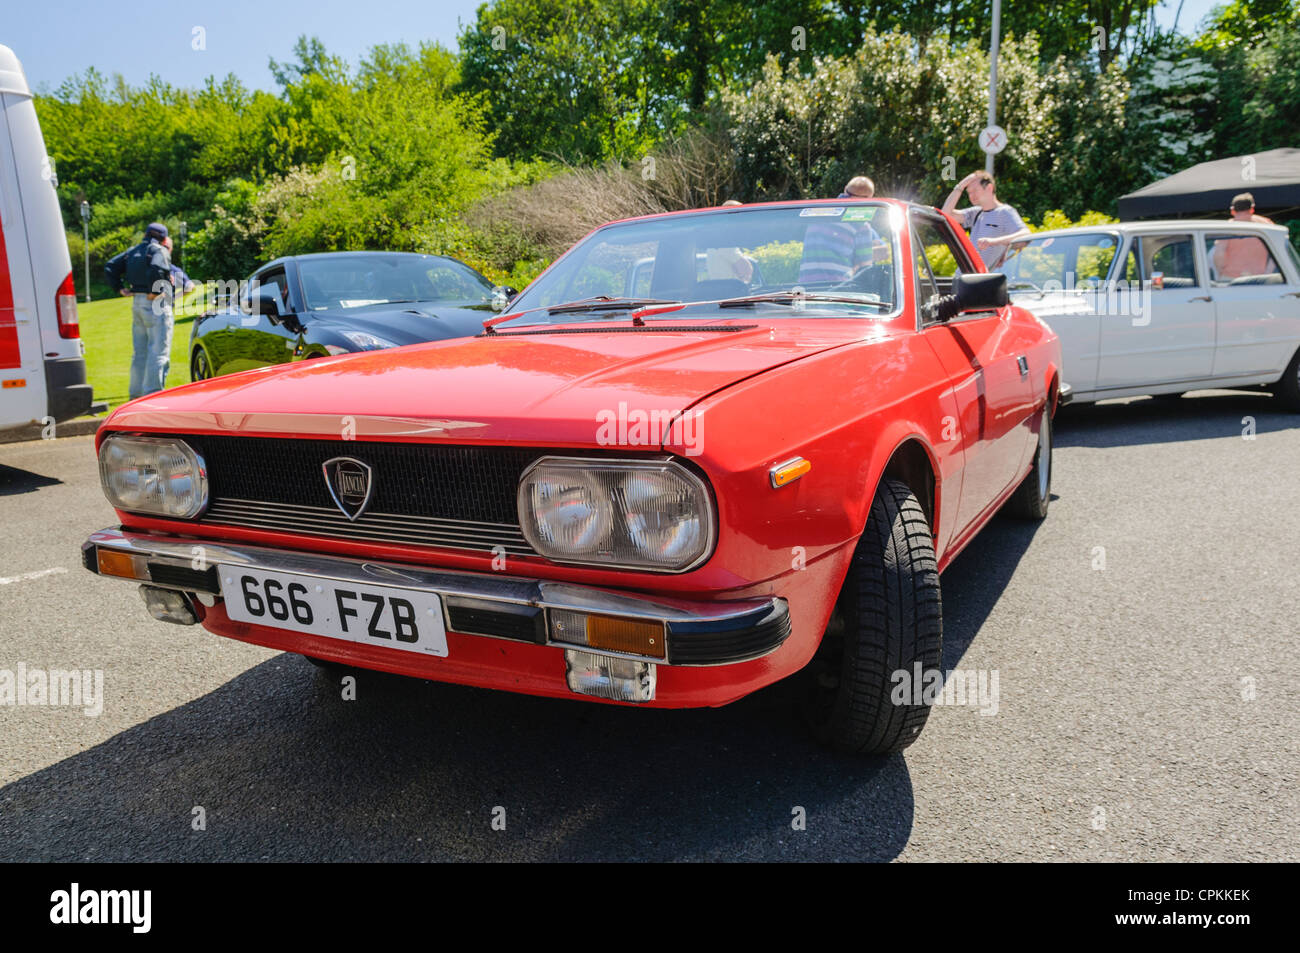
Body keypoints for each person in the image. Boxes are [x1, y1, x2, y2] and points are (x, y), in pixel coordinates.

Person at [104, 222, 174, 399]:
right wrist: (155, 291)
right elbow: (157, 269)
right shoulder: (159, 250)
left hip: (137, 302)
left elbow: (110, 266)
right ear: (163, 238)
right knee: (159, 352)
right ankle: (153, 395)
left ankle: (135, 395)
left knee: (140, 353)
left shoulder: (131, 251)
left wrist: (120, 288)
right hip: (155, 302)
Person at [941, 171, 1032, 269]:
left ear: (989, 188)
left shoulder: (1004, 212)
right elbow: (945, 214)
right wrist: (960, 186)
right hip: (964, 277)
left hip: (984, 280)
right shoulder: (976, 213)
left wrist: (993, 242)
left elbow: (1025, 234)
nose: (971, 196)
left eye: (975, 190)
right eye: (969, 192)